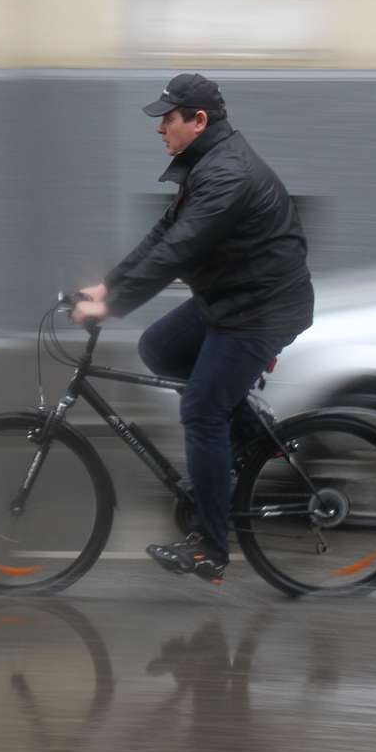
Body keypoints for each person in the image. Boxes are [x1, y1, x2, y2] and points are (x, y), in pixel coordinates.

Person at [72, 72, 314, 584]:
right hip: (231, 297)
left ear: (198, 121)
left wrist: (111, 307)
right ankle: (252, 437)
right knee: (159, 346)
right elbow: (165, 234)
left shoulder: (227, 176)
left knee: (201, 408)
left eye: (168, 118)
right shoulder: (206, 164)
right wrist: (108, 287)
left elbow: (180, 251)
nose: (160, 129)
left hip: (262, 307)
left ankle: (210, 547)